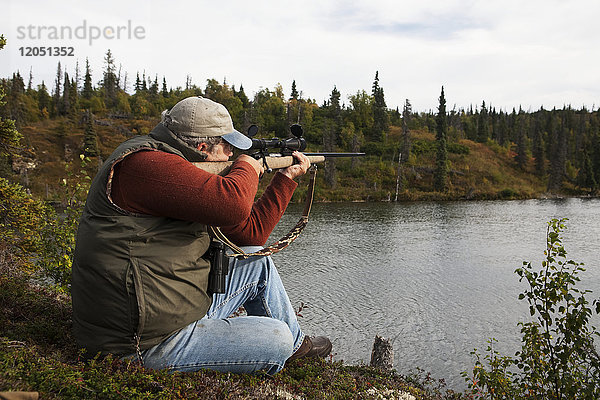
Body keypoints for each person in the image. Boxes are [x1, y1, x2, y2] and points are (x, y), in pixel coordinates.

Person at [71, 96, 332, 375]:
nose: (231, 153)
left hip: (170, 311)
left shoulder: (177, 170)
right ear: (202, 147)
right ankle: (286, 346)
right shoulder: (144, 165)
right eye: (227, 146)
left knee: (256, 262)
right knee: (275, 338)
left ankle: (296, 346)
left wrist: (286, 178)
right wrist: (249, 166)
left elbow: (249, 234)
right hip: (142, 345)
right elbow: (233, 204)